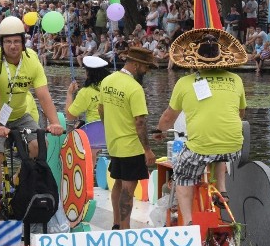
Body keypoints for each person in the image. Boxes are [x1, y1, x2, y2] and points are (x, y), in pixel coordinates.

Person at [0, 16, 64, 222]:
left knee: (39, 147)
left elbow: (43, 93)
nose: (12, 46)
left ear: (23, 43)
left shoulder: (32, 60)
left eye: (16, 41)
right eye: (8, 42)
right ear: (1, 43)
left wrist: (54, 122)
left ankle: (20, 183)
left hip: (20, 114)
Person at [156, 29, 248, 226]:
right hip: (233, 146)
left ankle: (188, 223)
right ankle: (222, 190)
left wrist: (159, 132)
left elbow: (168, 117)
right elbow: (240, 114)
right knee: (219, 149)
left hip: (201, 147)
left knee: (181, 174)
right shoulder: (236, 79)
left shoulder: (185, 82)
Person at [98, 47, 155, 229]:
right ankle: (125, 230)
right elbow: (139, 122)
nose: (147, 71)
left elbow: (101, 109)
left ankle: (116, 223)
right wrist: (147, 150)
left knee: (118, 183)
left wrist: (111, 128)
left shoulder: (107, 80)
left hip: (114, 143)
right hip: (131, 146)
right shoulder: (135, 88)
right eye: (146, 67)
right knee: (128, 190)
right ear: (136, 64)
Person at [66, 55, 111, 160]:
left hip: (92, 133)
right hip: (111, 131)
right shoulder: (112, 87)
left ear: (88, 73)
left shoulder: (86, 92)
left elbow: (70, 116)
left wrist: (69, 94)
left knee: (77, 127)